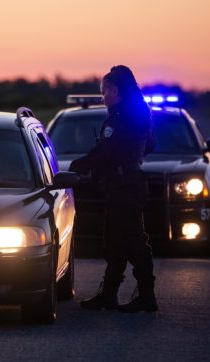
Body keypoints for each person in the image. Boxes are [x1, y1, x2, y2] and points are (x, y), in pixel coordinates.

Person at [69, 65, 157, 313]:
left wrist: (79, 165)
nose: (103, 96)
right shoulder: (137, 113)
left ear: (115, 91)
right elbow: (150, 144)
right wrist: (130, 158)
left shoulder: (121, 117)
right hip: (126, 183)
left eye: (104, 90)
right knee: (116, 241)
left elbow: (105, 150)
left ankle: (147, 296)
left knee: (133, 241)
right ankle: (108, 295)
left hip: (125, 186)